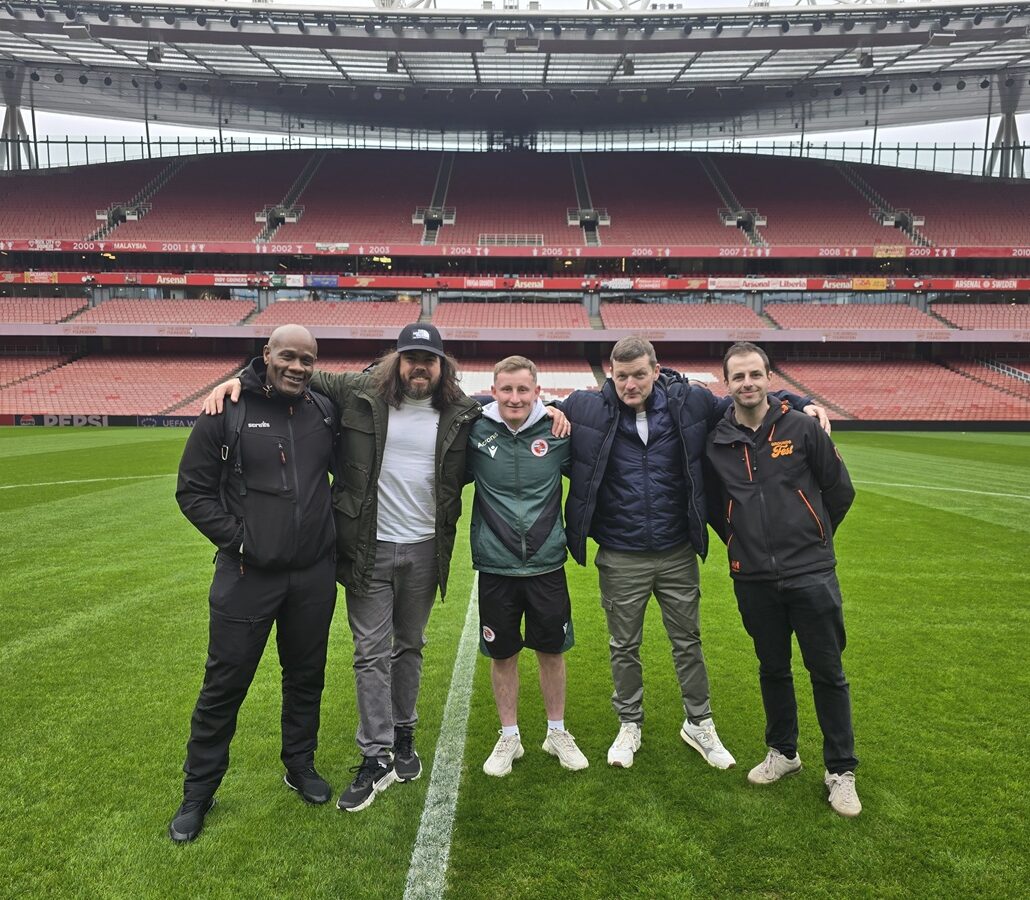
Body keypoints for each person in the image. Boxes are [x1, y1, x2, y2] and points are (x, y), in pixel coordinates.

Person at [202, 324, 566, 812]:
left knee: (410, 646)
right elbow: (297, 373)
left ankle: (404, 735)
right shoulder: (360, 391)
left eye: (429, 359)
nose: (420, 367)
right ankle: (375, 755)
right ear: (397, 359)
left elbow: (518, 404)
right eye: (411, 357)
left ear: (442, 365)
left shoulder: (462, 412)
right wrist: (241, 379)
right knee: (370, 651)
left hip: (423, 549)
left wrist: (555, 411)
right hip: (367, 546)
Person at [560, 336, 828, 771]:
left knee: (688, 642)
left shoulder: (691, 402)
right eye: (622, 376)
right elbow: (526, 402)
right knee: (624, 645)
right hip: (621, 551)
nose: (631, 384)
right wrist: (552, 410)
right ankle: (629, 724)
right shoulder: (585, 407)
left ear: (655, 369)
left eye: (639, 375)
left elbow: (747, 398)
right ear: (612, 374)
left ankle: (699, 722)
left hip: (676, 548)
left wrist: (800, 401)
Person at [170, 324, 338, 843]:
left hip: (312, 574)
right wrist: (241, 541)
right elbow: (192, 491)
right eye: (287, 356)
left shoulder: (323, 409)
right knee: (224, 685)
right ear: (267, 354)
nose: (297, 367)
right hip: (246, 576)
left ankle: (299, 765)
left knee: (306, 676)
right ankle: (198, 791)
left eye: (307, 360)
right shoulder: (228, 410)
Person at [705, 341, 860, 818]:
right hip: (751, 578)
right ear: (726, 384)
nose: (747, 384)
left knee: (827, 673)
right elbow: (715, 507)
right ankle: (783, 753)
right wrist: (742, 544)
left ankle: (841, 770)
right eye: (738, 377)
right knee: (772, 668)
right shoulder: (717, 440)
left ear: (769, 378)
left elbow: (839, 490)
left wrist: (811, 539)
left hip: (810, 574)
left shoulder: (802, 426)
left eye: (755, 374)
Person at [466, 356, 587, 777]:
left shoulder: (557, 431)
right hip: (496, 567)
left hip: (547, 563)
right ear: (493, 390)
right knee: (503, 654)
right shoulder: (474, 429)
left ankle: (556, 732)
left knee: (551, 651)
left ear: (537, 392)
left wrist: (559, 410)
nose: (514, 398)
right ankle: (509, 737)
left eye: (523, 390)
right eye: (506, 389)